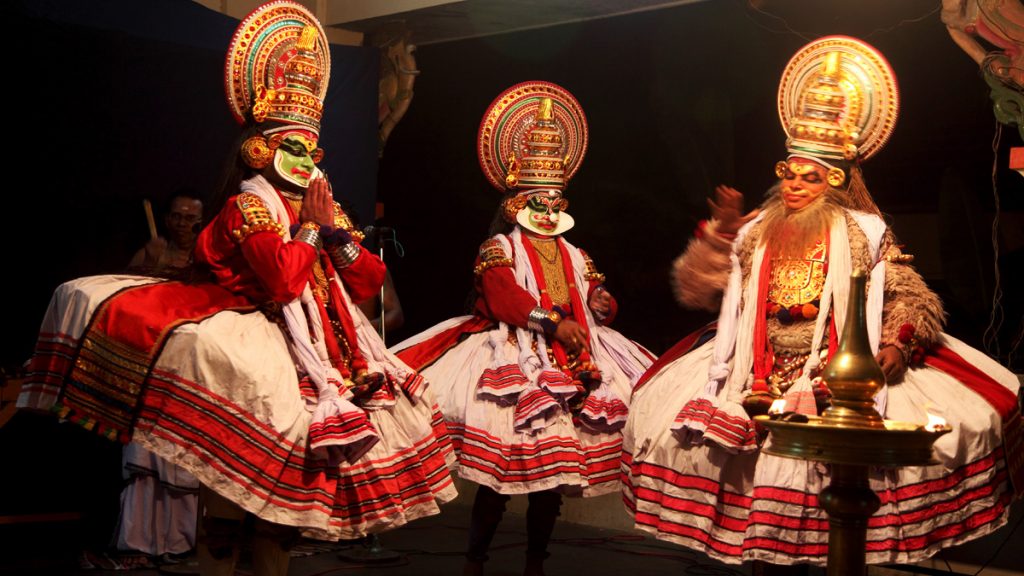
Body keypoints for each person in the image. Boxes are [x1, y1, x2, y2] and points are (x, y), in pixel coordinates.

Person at [19, 3, 455, 576]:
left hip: (322, 358)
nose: (305, 159)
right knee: (233, 512)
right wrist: (308, 229)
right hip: (253, 360)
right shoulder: (246, 207)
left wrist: (332, 232)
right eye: (292, 147)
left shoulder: (323, 207)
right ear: (260, 148)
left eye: (310, 149)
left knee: (277, 518)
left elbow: (371, 282)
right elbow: (281, 279)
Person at [621, 36, 1022, 571]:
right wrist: (719, 236)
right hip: (750, 370)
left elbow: (907, 296)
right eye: (787, 172)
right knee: (742, 503)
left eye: (809, 177)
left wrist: (898, 344)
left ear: (835, 181)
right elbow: (697, 290)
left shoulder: (863, 233)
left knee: (831, 507)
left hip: (836, 374)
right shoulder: (754, 231)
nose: (792, 185)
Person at [392, 81, 654, 576]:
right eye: (540, 199)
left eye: (556, 199)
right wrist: (554, 323)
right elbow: (504, 298)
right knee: (502, 474)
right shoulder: (500, 248)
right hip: (515, 358)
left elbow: (598, 295)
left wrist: (601, 303)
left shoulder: (576, 253)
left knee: (552, 479)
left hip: (577, 360)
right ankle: (475, 559)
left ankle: (536, 562)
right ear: (518, 201)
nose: (550, 208)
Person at [128, 193, 203, 274]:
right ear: (167, 220)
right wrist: (149, 263)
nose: (182, 223)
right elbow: (127, 283)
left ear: (202, 223)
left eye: (190, 218)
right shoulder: (146, 255)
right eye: (176, 216)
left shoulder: (209, 259)